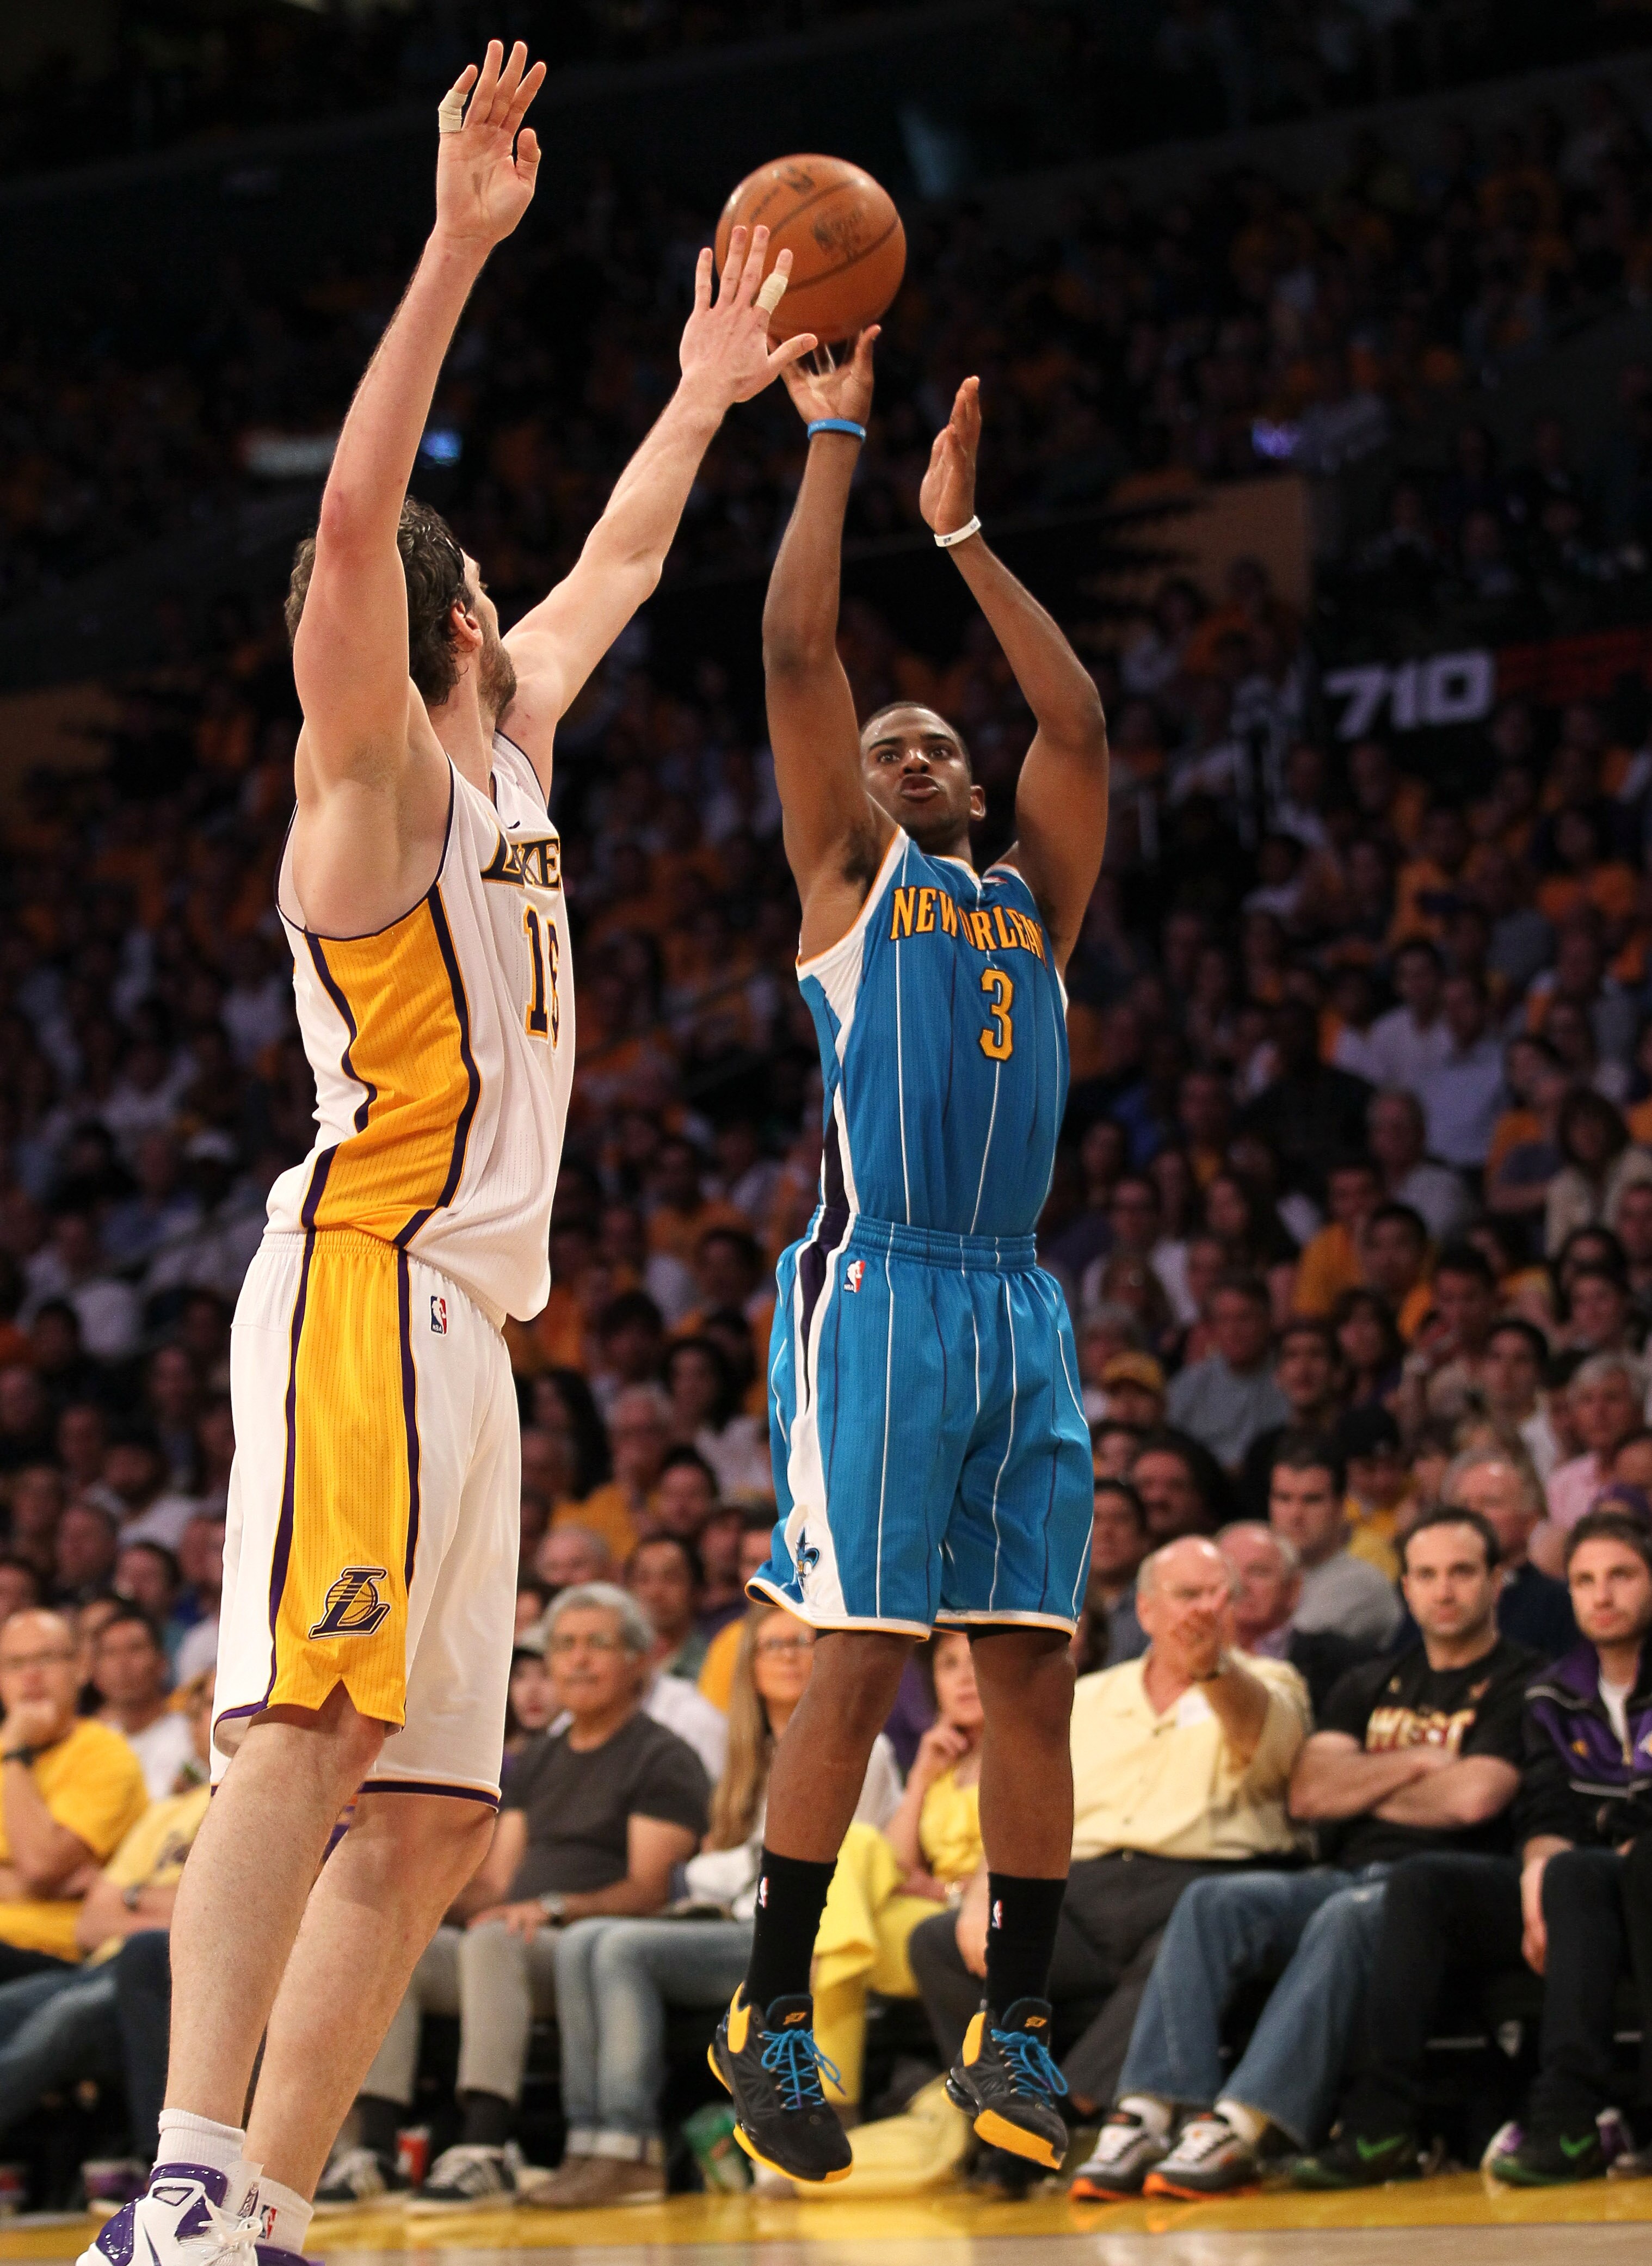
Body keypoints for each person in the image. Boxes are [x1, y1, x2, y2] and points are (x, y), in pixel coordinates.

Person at [90, 54, 816, 2266]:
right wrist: (458, 248)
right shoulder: (381, 793)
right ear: (428, 636)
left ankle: (266, 2210)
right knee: (302, 1739)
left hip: (471, 1332)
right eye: (468, 600)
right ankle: (181, 2192)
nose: (512, 609)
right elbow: (344, 531)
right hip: (362, 1281)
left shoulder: (515, 744)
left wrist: (701, 396)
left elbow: (615, 557)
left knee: (426, 1820)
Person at [724, 329, 1108, 2182]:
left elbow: (1080, 729)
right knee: (865, 1643)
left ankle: (1013, 2024)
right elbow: (800, 653)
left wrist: (962, 541)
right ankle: (770, 1999)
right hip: (879, 1284)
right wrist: (834, 447)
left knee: (1025, 1662)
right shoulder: (842, 890)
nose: (920, 749)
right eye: (893, 747)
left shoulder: (1033, 900)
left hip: (1017, 1297)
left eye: (938, 740)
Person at [1075, 1508, 1531, 2199]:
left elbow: (1473, 1799)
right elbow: (1312, 1793)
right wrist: (1423, 1761)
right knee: (1212, 1901)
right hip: (1347, 1872)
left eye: (1463, 1572)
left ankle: (1244, 2124)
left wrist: (1368, 1782)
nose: (1444, 1590)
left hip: (1455, 1884)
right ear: (1404, 1588)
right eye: (1428, 1574)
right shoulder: (1369, 1680)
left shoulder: (1524, 1681)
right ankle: (1149, 2109)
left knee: (1348, 1913)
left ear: (1496, 1581)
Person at [905, 1536, 1306, 2186]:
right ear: (1145, 1611)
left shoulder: (1267, 1682)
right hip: (1081, 1888)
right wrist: (983, 1893)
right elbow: (1023, 1802)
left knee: (1189, 1929)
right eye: (1187, 1596)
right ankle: (1009, 2109)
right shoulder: (1087, 1695)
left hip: (1200, 1881)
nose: (1203, 1610)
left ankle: (1063, 2108)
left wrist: (1213, 1670)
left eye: (1218, 1596)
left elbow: (1271, 1751)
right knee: (939, 1943)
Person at [1293, 1508, 1652, 2189]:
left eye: (1622, 1576)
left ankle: (1577, 2115)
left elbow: (1475, 1798)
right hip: (1581, 1874)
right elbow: (1548, 1809)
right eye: (1584, 1581)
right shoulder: (1558, 1691)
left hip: (1634, 1865)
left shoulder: (1522, 1675)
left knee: (1610, 1869)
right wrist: (1535, 1879)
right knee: (1430, 1881)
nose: (1603, 1596)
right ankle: (1383, 2125)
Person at [320, 1584, 708, 2212]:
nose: (578, 1661)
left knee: (495, 1941)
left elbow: (651, 1889)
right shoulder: (537, 1760)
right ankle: (375, 2150)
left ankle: (486, 2147)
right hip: (511, 1940)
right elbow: (497, 1885)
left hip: (588, 1948)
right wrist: (408, 1901)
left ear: (638, 1660)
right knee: (401, 1947)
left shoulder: (664, 1757)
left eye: (598, 1645)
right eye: (565, 1646)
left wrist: (551, 1909)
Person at [517, 1606, 897, 2210]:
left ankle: (628, 2148)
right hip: (734, 1924)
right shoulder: (739, 1761)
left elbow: (857, 1853)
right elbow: (708, 1871)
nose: (790, 1656)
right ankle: (589, 2145)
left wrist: (732, 1869)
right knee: (586, 1940)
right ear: (749, 1667)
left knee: (618, 1946)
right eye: (772, 1647)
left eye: (803, 1643)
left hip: (806, 1932)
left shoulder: (860, 1751)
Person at [0, 1677, 214, 2164]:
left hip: (174, 1973)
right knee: (8, 2010)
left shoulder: (266, 1809)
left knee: (58, 2024)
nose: (219, 1718)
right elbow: (92, 1923)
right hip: (99, 1966)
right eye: (206, 1707)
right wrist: (161, 1901)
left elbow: (222, 1911)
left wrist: (132, 1898)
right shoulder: (169, 1812)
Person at [0, 1609, 149, 1980]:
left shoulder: (106, 1755)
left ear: (81, 1668)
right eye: (15, 1664)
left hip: (51, 1955)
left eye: (46, 1659)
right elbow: (44, 1879)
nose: (30, 1676)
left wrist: (15, 1752)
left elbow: (40, 1866)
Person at [1268, 1432, 1404, 1649]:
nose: (1295, 1514)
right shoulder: (1250, 1571)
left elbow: (1290, 1652)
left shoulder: (1364, 1584)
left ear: (1341, 1507)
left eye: (1312, 1500)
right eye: (1284, 1498)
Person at [1215, 1522, 1369, 1713]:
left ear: (1293, 1589)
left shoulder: (1344, 1665)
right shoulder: (1182, 1659)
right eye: (1229, 1572)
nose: (1241, 1585)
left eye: (1258, 1572)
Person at [1441, 1447, 1576, 1659]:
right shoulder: (1436, 1596)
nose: (1474, 1514)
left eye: (1490, 1503)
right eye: (1464, 1504)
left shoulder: (1558, 1604)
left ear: (1530, 1518)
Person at [1164, 1274, 1289, 1472]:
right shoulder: (1188, 1385)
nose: (1234, 1330)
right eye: (1224, 1320)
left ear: (1267, 1320)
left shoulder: (1291, 1378)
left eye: (1245, 1318)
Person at [1237, 1319, 1345, 1517]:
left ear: (1338, 1373)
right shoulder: (1262, 1451)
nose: (1304, 1368)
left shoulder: (1355, 1442)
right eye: (1292, 1356)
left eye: (1316, 1355)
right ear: (1277, 1376)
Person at [90, 1607, 194, 1800]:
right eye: (111, 1653)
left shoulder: (192, 1735)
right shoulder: (91, 1745)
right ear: (96, 1673)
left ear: (161, 1663)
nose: (122, 1664)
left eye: (135, 1649)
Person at [1088, 1476, 1151, 1666]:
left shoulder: (1159, 1608)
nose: (1106, 1532)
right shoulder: (1051, 1607)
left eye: (1120, 1520)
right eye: (1094, 1519)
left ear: (1144, 1538)